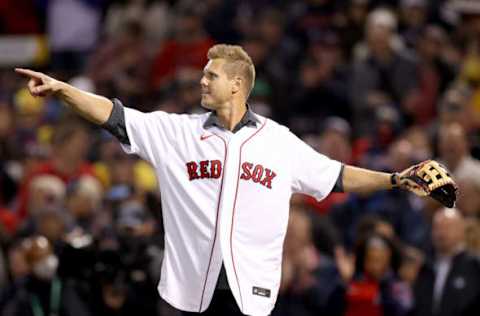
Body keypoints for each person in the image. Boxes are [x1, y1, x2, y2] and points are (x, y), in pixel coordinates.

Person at [16, 44, 438, 316]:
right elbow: (113, 114)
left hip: (250, 295)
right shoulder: (177, 132)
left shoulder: (278, 141)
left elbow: (338, 176)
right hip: (188, 295)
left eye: (211, 75)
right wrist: (62, 90)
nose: (202, 79)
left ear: (237, 85)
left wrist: (396, 179)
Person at [412, 208, 480, 316]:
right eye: (437, 228)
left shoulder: (474, 266)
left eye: (448, 227)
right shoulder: (425, 267)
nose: (441, 233)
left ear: (461, 230)